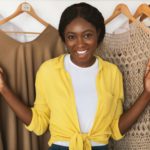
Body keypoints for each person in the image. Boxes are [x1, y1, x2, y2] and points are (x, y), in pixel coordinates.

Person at [0, 2, 150, 150]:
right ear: (64, 39)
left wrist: (147, 93)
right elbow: (39, 125)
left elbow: (116, 130)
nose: (80, 44)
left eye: (87, 35)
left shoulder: (112, 73)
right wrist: (3, 88)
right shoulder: (48, 71)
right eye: (71, 37)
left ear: (98, 34)